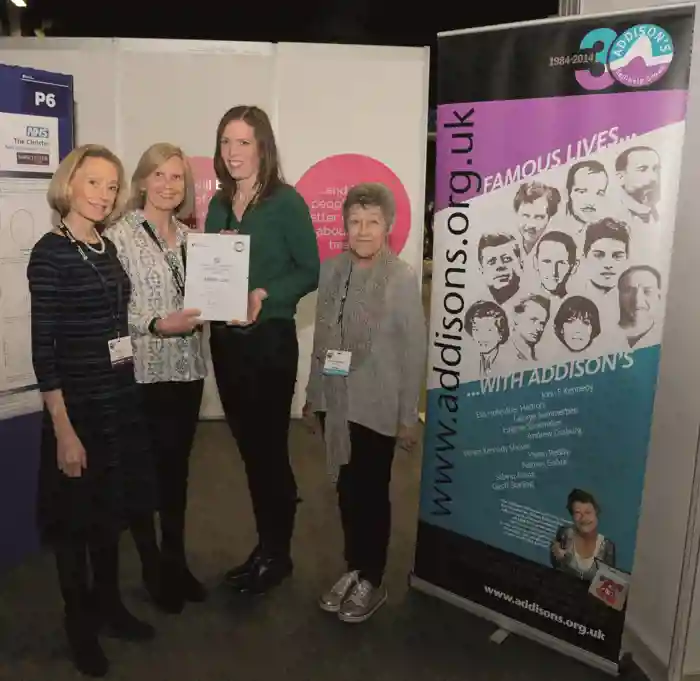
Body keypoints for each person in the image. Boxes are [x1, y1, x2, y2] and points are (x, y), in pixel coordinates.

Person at [27, 144, 156, 677]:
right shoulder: (49, 252)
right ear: (70, 184)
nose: (104, 195)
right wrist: (63, 431)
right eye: (94, 183)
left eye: (111, 185)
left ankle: (109, 607)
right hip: (75, 410)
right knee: (75, 526)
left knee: (110, 515)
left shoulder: (104, 246)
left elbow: (116, 327)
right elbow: (44, 351)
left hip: (117, 402)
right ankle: (79, 626)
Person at [205, 105, 320, 594]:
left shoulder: (286, 202)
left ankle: (278, 553)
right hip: (226, 343)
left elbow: (309, 270)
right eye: (226, 142)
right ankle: (267, 545)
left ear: (263, 147)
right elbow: (209, 270)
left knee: (269, 451)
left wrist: (264, 293)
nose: (233, 153)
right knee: (250, 451)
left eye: (243, 143)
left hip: (269, 342)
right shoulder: (216, 204)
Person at [305, 182, 426, 623]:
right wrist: (312, 396)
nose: (363, 230)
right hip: (337, 404)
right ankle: (353, 567)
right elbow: (321, 338)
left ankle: (371, 579)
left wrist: (407, 416)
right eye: (355, 222)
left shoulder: (402, 277)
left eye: (373, 222)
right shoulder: (332, 270)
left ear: (388, 225)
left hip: (377, 408)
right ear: (344, 225)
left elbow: (414, 350)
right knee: (346, 491)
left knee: (372, 494)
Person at [106, 143, 206, 614]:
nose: (168, 185)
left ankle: (176, 560)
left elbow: (208, 300)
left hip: (186, 370)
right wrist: (156, 323)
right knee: (143, 473)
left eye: (177, 178)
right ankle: (151, 566)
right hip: (141, 371)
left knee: (178, 470)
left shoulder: (193, 240)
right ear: (142, 181)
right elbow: (109, 313)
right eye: (159, 175)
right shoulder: (117, 236)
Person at [551, 488, 616, 581]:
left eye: (588, 512)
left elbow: (608, 582)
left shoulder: (607, 547)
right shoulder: (564, 534)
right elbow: (555, 569)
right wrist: (559, 559)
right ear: (572, 516)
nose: (584, 518)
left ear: (596, 513)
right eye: (578, 513)